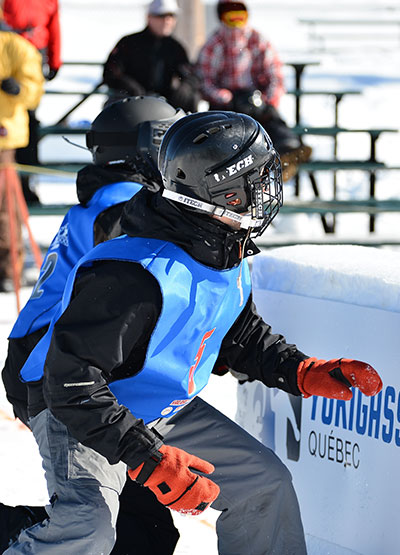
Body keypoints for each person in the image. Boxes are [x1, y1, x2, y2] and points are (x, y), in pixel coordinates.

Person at [6, 111, 382, 554]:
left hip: (160, 409)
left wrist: (301, 370)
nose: (268, 190)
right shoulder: (135, 275)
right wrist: (150, 459)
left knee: (266, 484)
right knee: (89, 529)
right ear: (225, 193)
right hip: (83, 411)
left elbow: (240, 335)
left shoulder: (224, 248)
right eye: (256, 181)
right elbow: (70, 382)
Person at [1, 95, 185, 554]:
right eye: (169, 142)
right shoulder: (124, 203)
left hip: (47, 354)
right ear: (144, 150)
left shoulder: (107, 196)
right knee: (108, 523)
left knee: (142, 529)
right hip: (58, 363)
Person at [196, 0, 312, 182]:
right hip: (227, 105)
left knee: (272, 123)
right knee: (225, 136)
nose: (236, 24)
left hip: (256, 101)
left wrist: (265, 100)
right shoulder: (214, 44)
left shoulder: (258, 41)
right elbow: (204, 80)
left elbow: (275, 75)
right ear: (222, 19)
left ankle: (287, 151)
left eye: (240, 18)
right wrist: (224, 96)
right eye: (231, 18)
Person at [0, 11, 44, 292]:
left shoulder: (16, 46)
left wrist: (17, 88)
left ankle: (8, 269)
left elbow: (34, 90)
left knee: (6, 210)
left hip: (4, 141)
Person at [2, 0, 62, 205]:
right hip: (6, 51)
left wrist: (55, 59)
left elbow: (53, 25)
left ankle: (26, 183)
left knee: (28, 121)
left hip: (31, 56)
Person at [103, 0, 200, 113]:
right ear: (149, 17)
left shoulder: (175, 48)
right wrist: (132, 88)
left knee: (190, 97)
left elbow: (190, 75)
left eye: (171, 16)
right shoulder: (129, 43)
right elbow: (111, 73)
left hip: (163, 104)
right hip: (131, 104)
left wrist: (184, 88)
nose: (167, 21)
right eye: (161, 16)